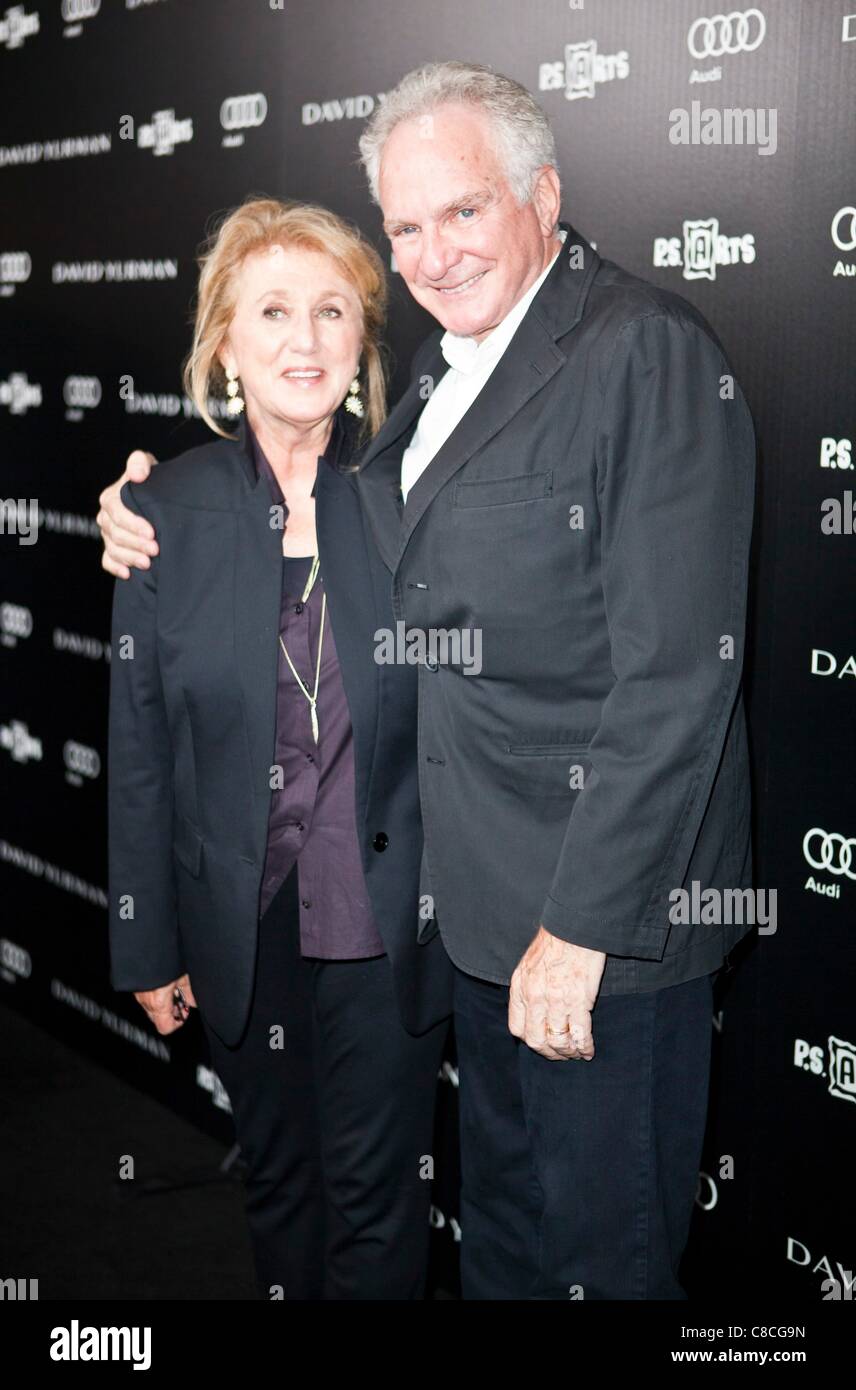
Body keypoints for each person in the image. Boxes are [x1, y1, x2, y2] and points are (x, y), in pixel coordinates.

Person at [100, 62, 757, 1300]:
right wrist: (133, 509)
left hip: (585, 939)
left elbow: (676, 677)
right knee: (508, 1250)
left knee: (601, 1265)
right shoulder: (439, 399)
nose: (434, 251)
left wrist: (581, 928)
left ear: (541, 196)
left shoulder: (642, 352)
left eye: (462, 210)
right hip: (477, 936)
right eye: (406, 227)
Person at [105, 197, 452, 1301]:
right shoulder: (163, 511)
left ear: (362, 342)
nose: (303, 340)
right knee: (281, 1188)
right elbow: (144, 748)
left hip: (384, 919)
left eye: (331, 310)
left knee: (377, 1203)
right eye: (272, 312)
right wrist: (145, 940)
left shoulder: (418, 492)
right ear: (224, 345)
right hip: (239, 925)